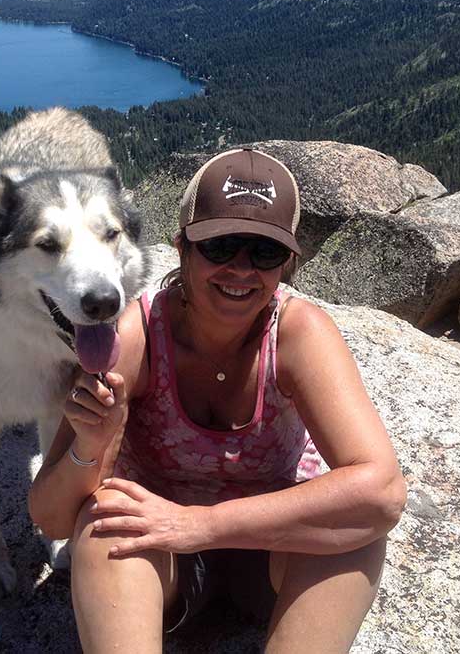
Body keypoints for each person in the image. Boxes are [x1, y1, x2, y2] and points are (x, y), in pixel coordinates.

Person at [29, 147, 406, 653]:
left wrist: (198, 524)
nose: (241, 269)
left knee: (355, 533)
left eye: (264, 252)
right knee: (105, 521)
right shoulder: (135, 336)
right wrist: (92, 447)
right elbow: (51, 518)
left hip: (272, 544)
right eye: (221, 245)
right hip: (160, 559)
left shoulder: (299, 334)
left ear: (288, 264)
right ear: (182, 247)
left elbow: (381, 490)